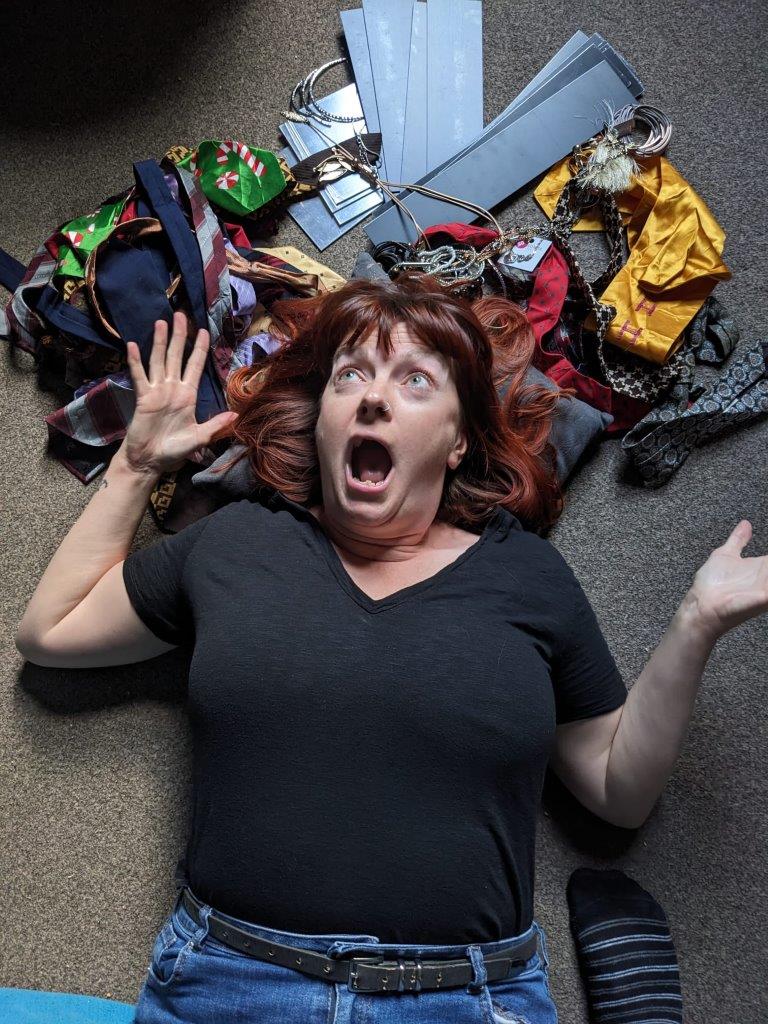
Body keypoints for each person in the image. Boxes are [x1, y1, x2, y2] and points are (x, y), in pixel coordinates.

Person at [15, 274, 768, 1024]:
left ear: (458, 438)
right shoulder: (238, 542)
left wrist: (695, 624)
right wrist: (136, 465)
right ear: (322, 422)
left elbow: (617, 791)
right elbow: (51, 633)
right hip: (230, 984)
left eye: (414, 380)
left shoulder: (527, 577)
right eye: (351, 376)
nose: (372, 397)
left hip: (466, 1000)